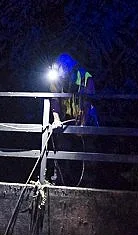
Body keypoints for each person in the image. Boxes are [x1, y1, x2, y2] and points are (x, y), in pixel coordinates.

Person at [46, 53, 97, 186]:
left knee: (88, 151)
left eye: (60, 69)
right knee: (63, 148)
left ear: (67, 67)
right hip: (67, 118)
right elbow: (54, 99)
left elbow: (87, 101)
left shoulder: (85, 77)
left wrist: (83, 124)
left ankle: (88, 184)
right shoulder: (56, 78)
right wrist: (56, 119)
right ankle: (61, 180)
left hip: (87, 118)